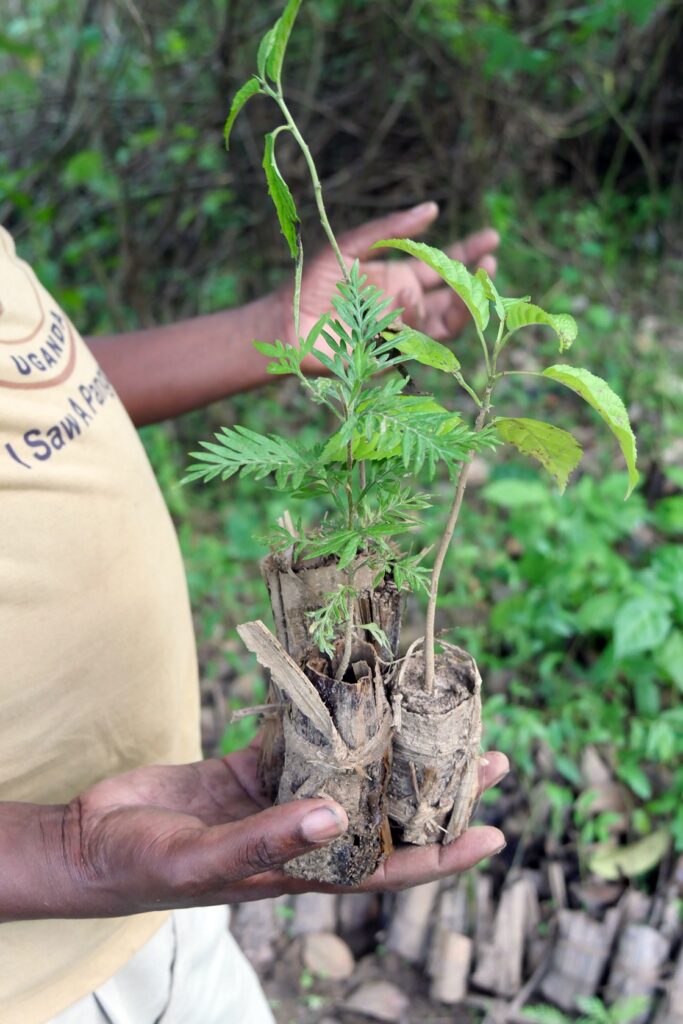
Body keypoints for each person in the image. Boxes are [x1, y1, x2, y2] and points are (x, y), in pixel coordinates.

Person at [0, 200, 508, 1024]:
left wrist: (278, 328)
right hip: (33, 964)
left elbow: (47, 396)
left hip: (152, 881)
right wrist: (68, 855)